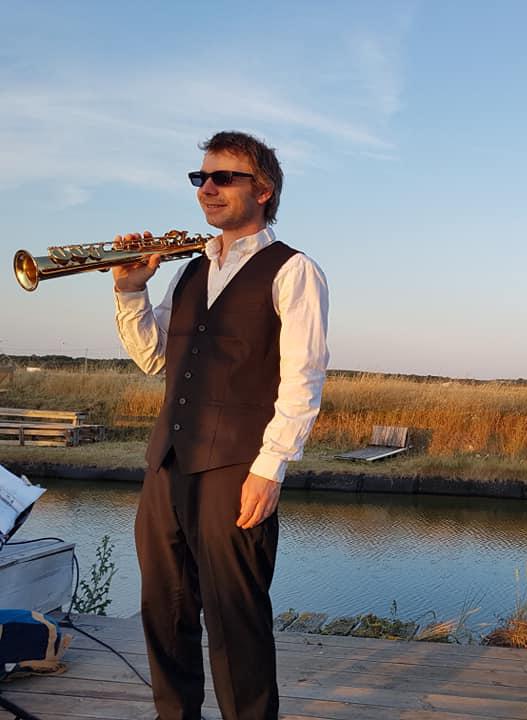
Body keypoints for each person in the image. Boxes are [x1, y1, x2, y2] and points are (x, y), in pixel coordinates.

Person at [112, 130, 329, 720]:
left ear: (263, 190)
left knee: (236, 621)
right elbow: (156, 356)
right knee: (165, 610)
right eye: (199, 178)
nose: (206, 187)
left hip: (239, 467)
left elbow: (304, 377)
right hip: (169, 464)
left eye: (222, 177)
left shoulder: (293, 270)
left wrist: (271, 469)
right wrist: (131, 289)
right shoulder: (188, 272)